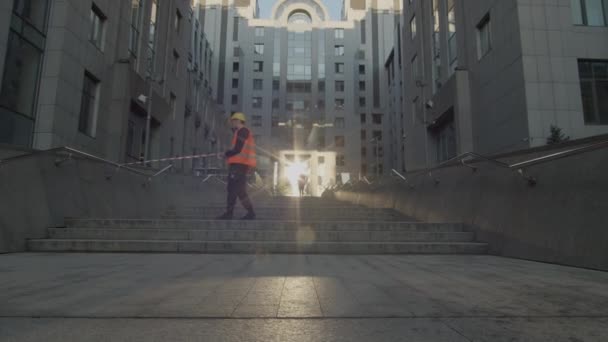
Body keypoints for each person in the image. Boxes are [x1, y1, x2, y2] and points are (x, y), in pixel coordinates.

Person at [216, 112, 257, 220]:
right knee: (240, 191)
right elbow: (238, 149)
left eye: (233, 121)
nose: (232, 123)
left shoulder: (243, 131)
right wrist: (227, 154)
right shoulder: (241, 132)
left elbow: (238, 149)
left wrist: (225, 154)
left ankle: (229, 213)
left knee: (232, 189)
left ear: (238, 121)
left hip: (238, 165)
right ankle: (251, 213)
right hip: (241, 165)